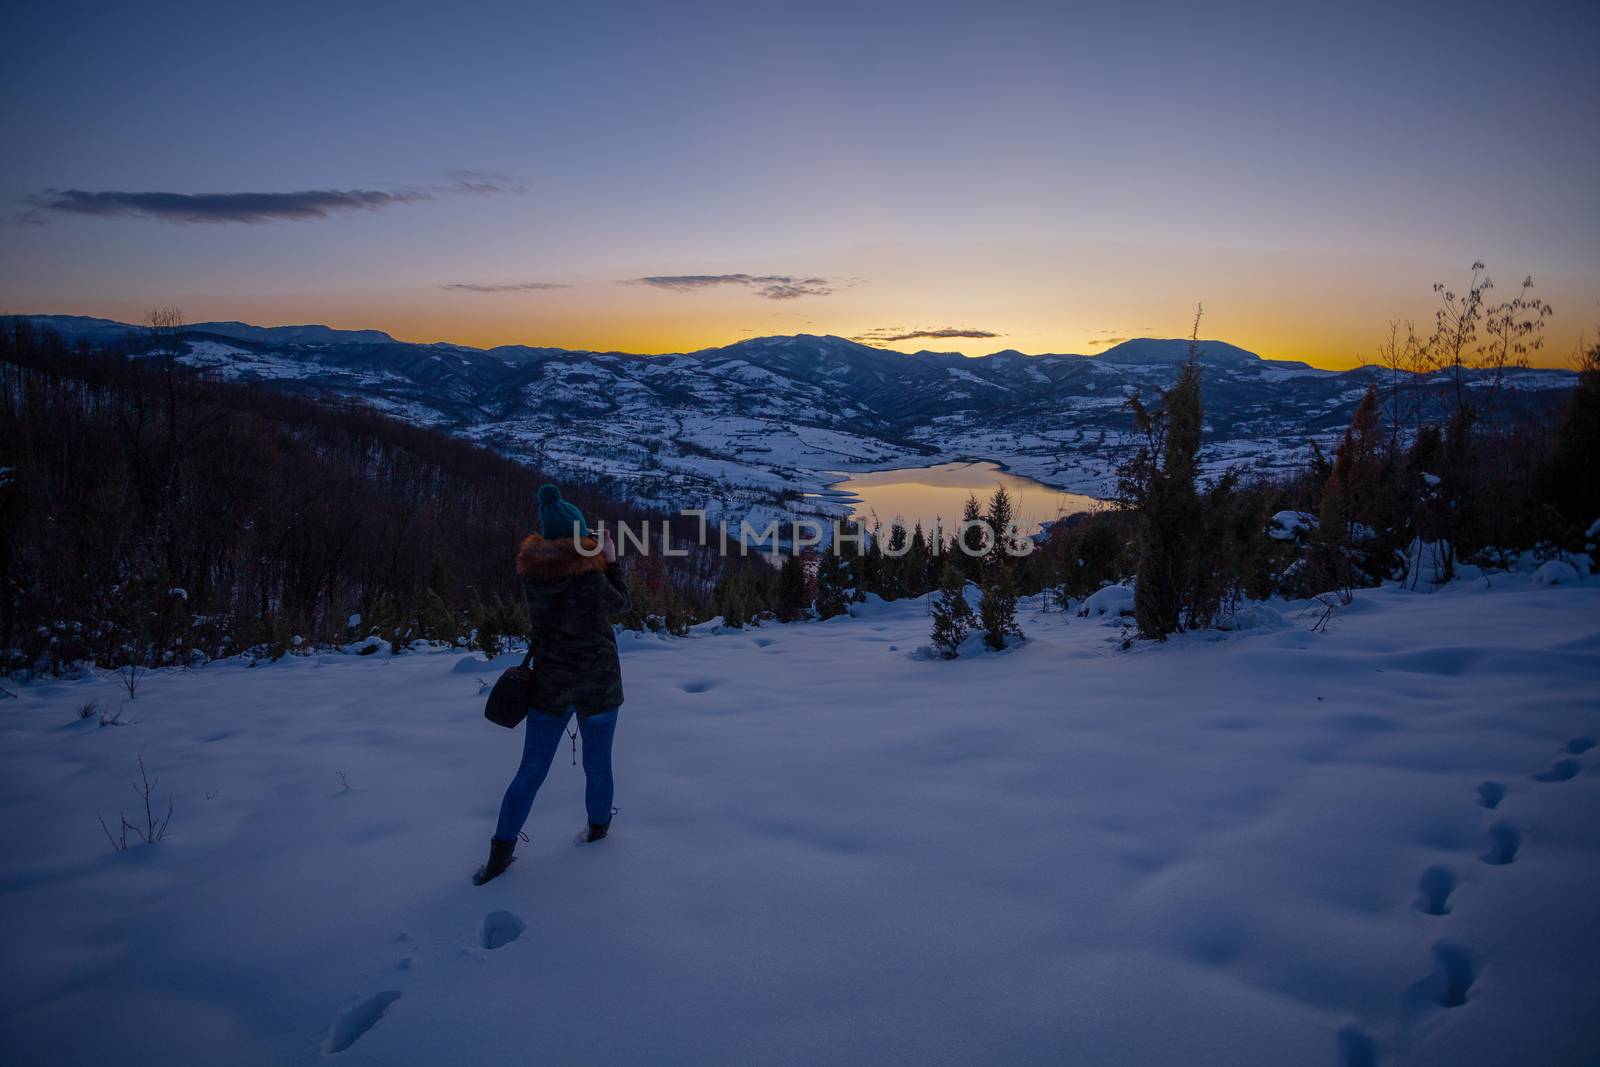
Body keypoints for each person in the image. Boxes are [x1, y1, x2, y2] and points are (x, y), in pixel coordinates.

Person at [473, 484, 632, 886]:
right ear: (579, 536)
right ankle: (597, 831)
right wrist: (610, 561)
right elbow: (622, 604)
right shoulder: (591, 577)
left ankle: (500, 853)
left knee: (530, 770)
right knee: (598, 766)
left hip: (551, 684)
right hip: (598, 683)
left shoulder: (534, 577)